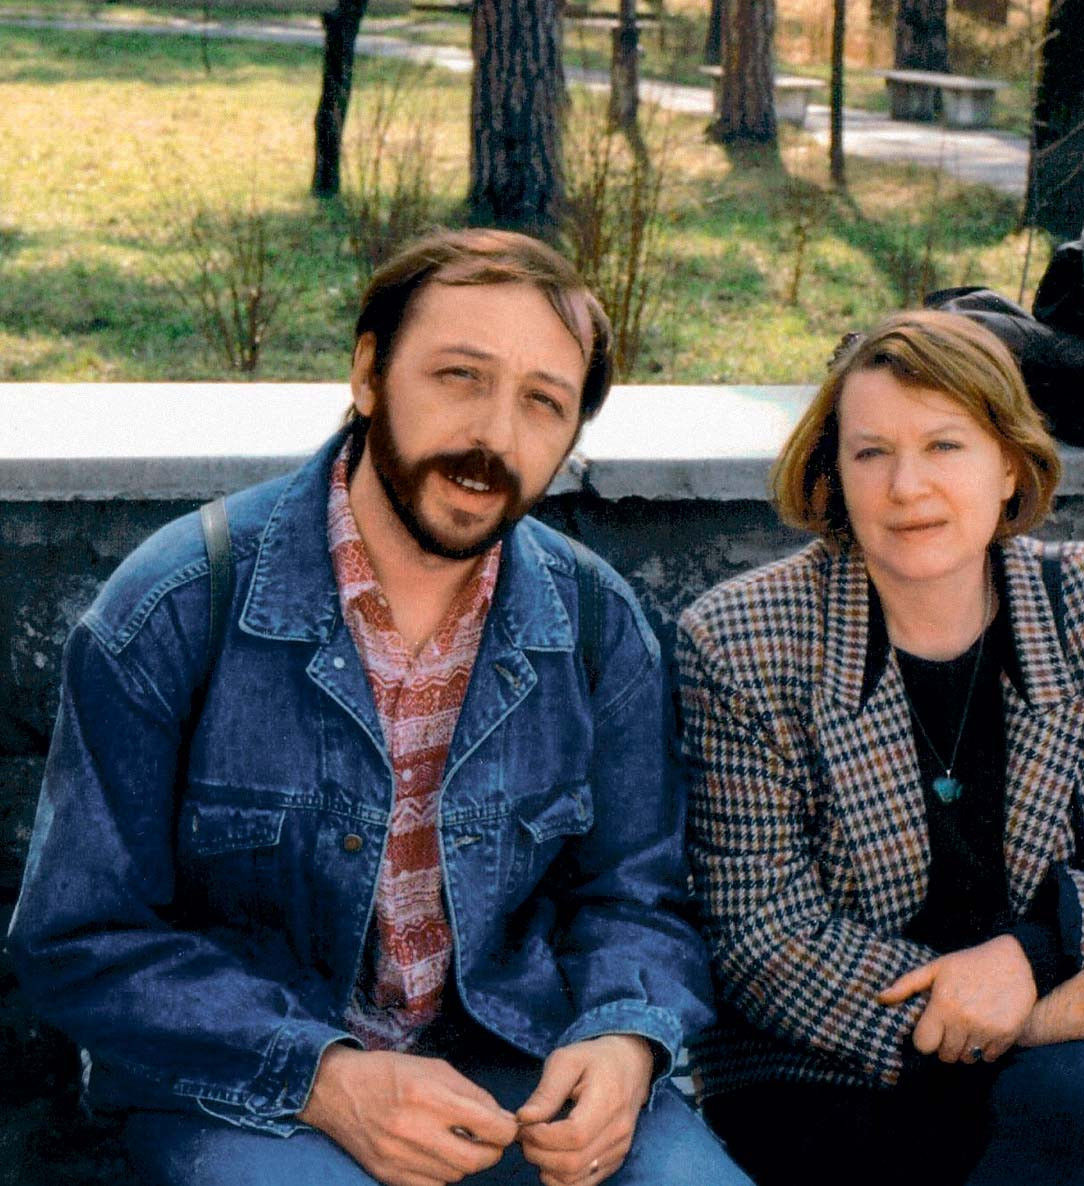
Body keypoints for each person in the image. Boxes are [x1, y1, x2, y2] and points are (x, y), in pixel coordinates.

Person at [8, 229, 750, 1186]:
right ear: (368, 374)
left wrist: (624, 1039)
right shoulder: (177, 606)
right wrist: (326, 1078)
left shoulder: (598, 626)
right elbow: (82, 937)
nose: (495, 436)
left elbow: (638, 897)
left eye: (543, 402)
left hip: (518, 1070)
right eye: (459, 376)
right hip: (248, 1088)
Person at [676, 310, 1084, 1186]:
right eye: (871, 453)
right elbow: (760, 937)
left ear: (1009, 463)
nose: (907, 486)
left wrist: (1033, 958)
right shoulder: (741, 641)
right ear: (835, 472)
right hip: (831, 1059)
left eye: (944, 445)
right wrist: (1016, 1020)